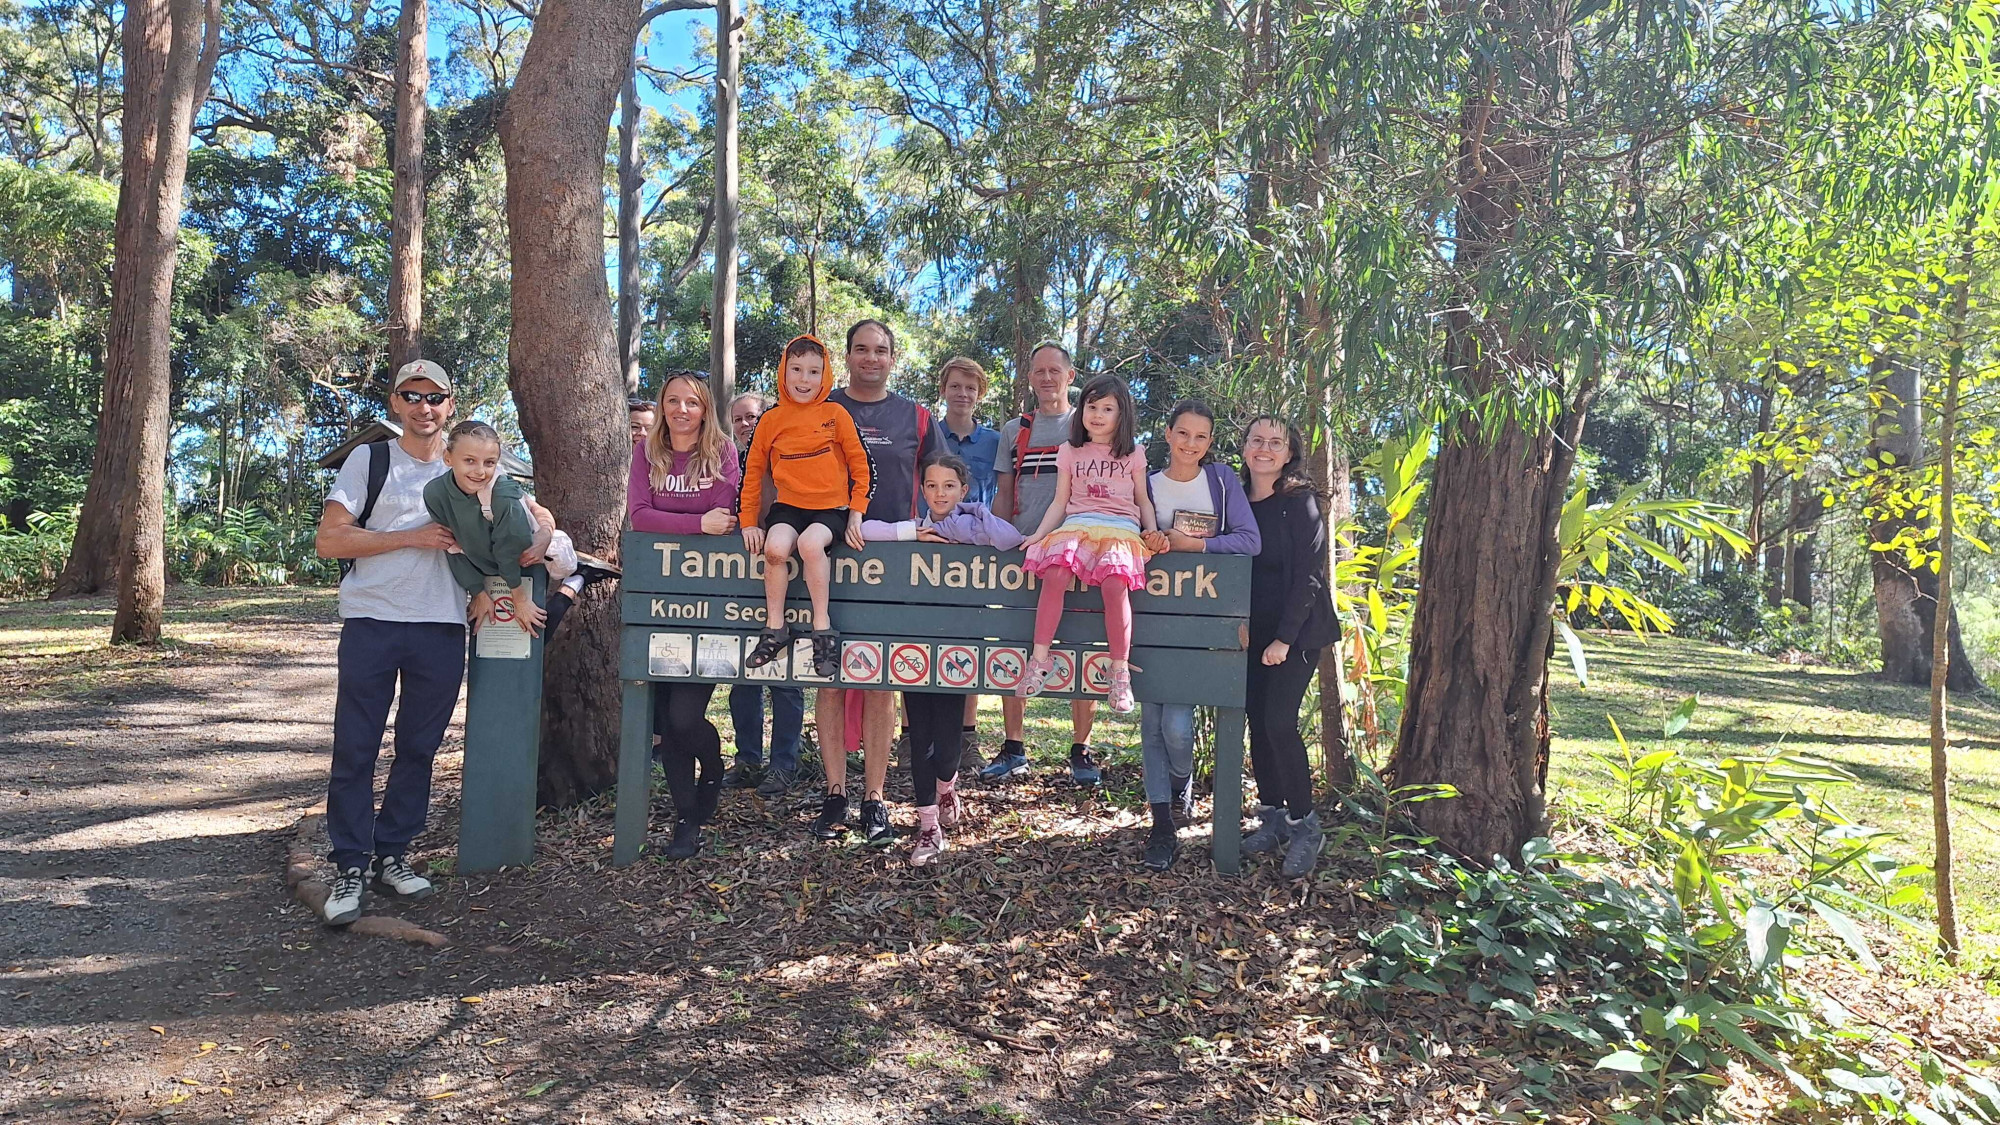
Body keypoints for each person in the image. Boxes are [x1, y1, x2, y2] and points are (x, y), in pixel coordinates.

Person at [312, 359, 553, 926]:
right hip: (373, 622)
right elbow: (329, 540)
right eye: (412, 395)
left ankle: (393, 855)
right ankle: (349, 864)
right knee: (356, 749)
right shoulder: (369, 461)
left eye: (436, 396)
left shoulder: (477, 465)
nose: (424, 406)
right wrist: (410, 538)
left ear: (450, 405)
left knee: (418, 749)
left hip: (442, 627)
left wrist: (522, 557)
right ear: (396, 403)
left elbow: (537, 525)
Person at [814, 319, 949, 845]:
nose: (871, 358)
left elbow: (943, 482)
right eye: (862, 349)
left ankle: (873, 798)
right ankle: (833, 795)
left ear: (893, 358)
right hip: (824, 555)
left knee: (878, 678)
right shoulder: (821, 410)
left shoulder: (916, 417)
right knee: (826, 677)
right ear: (846, 355)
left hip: (892, 563)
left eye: (881, 350)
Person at [862, 455, 1023, 866]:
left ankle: (947, 785)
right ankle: (928, 825)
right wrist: (914, 535)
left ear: (964, 490)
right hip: (915, 647)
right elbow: (863, 530)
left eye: (949, 486)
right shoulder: (917, 526)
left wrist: (974, 521)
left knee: (949, 742)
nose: (939, 494)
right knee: (919, 739)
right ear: (922, 490)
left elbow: (1011, 540)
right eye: (931, 485)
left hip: (959, 647)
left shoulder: (975, 524)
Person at [1136, 400, 1262, 871]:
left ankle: (1180, 780)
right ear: (1168, 434)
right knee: (1151, 726)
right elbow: (1125, 534)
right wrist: (1148, 541)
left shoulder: (1222, 483)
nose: (1190, 444)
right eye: (1182, 433)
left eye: (1201, 437)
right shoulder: (1145, 484)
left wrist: (1196, 545)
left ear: (1210, 444)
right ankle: (1162, 825)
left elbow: (1250, 541)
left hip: (1201, 622)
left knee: (1176, 727)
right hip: (1149, 616)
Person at [627, 372, 743, 858]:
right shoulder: (646, 454)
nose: (680, 410)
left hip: (708, 604)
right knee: (667, 720)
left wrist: (682, 524)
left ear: (705, 409)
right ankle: (686, 819)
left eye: (691, 402)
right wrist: (695, 523)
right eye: (672, 401)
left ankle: (713, 766)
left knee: (685, 715)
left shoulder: (723, 455)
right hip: (657, 603)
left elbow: (726, 518)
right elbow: (639, 516)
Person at [980, 343, 1102, 786]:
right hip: (1026, 549)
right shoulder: (1017, 429)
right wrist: (996, 536)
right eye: (1039, 372)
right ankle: (1014, 746)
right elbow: (1004, 489)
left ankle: (1081, 748)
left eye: (1055, 371)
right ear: (1030, 377)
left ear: (1071, 376)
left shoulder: (1089, 425)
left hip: (1081, 552)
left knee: (1082, 644)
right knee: (1017, 643)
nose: (1047, 378)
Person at [1016, 374, 1158, 719]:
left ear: (1122, 414)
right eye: (1091, 407)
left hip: (1121, 528)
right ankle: (1039, 659)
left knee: (1114, 584)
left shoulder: (1134, 454)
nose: (1097, 415)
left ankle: (1119, 670)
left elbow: (1143, 500)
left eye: (1107, 408)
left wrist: (1151, 532)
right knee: (1055, 574)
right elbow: (1059, 502)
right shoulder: (1069, 451)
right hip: (1078, 524)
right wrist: (1038, 535)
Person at [1235, 416, 1337, 880]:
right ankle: (1272, 814)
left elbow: (1310, 576)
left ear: (1288, 452)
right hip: (1249, 633)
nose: (1265, 448)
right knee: (1258, 722)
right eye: (1257, 440)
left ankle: (1305, 824)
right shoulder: (1234, 499)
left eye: (1275, 442)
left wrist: (1283, 639)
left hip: (1297, 632)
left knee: (1279, 721)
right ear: (1244, 448)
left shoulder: (1299, 502)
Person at [739, 335, 871, 676]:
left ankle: (822, 630)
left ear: (825, 375)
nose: (804, 379)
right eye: (796, 370)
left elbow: (861, 464)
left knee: (810, 544)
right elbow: (751, 472)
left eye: (813, 372)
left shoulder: (835, 414)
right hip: (789, 506)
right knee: (776, 548)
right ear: (784, 372)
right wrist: (748, 522)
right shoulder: (770, 420)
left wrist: (857, 512)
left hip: (832, 509)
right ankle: (775, 628)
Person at [423, 420, 615, 638]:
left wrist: (520, 599)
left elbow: (510, 549)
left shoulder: (502, 494)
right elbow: (450, 545)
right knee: (497, 635)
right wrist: (478, 592)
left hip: (525, 560)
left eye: (489, 463)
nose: (479, 471)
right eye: (469, 461)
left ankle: (577, 577)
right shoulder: (435, 493)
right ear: (448, 458)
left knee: (533, 630)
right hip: (487, 566)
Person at [722, 391, 806, 798]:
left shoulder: (788, 459)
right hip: (740, 580)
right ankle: (747, 760)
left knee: (787, 678)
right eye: (738, 419)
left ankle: (785, 763)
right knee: (744, 677)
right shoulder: (728, 465)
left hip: (789, 579)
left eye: (752, 417)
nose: (745, 425)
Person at [933, 357, 1002, 753]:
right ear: (944, 389)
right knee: (923, 636)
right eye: (956, 386)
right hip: (934, 545)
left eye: (971, 388)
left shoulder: (993, 441)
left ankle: (967, 736)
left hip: (977, 552)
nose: (963, 394)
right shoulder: (929, 433)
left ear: (980, 394)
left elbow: (1003, 493)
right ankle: (912, 738)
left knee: (971, 641)